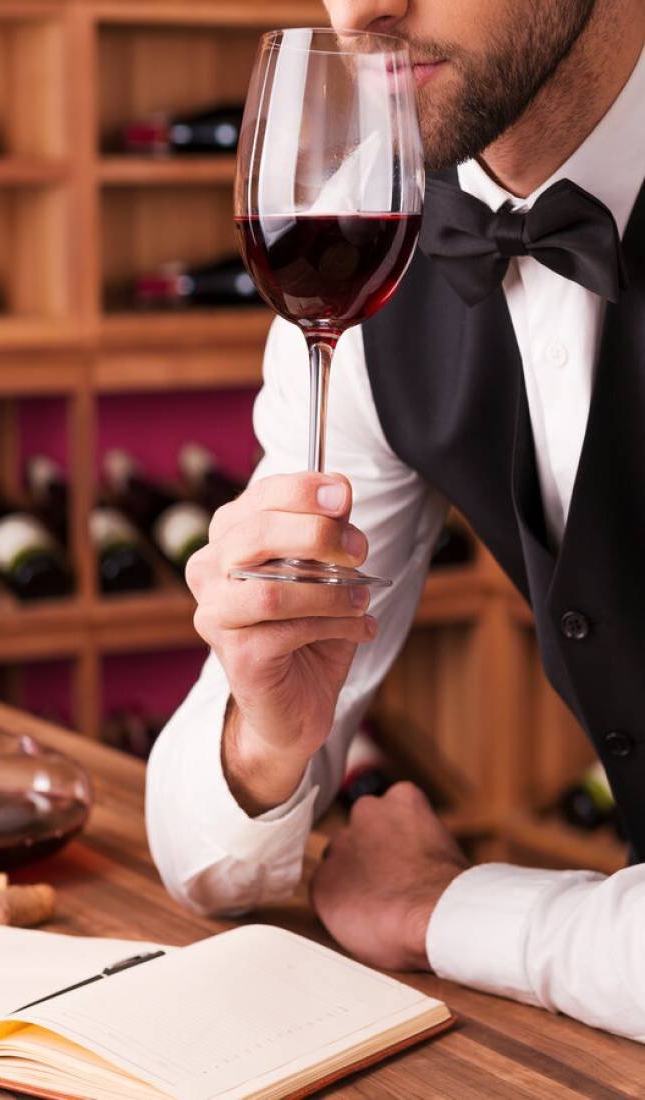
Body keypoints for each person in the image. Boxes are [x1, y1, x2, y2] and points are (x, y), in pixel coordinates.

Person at [147, 0, 645, 1044]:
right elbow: (203, 851)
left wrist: (440, 907)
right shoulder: (372, 244)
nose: (362, 6)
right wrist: (267, 731)